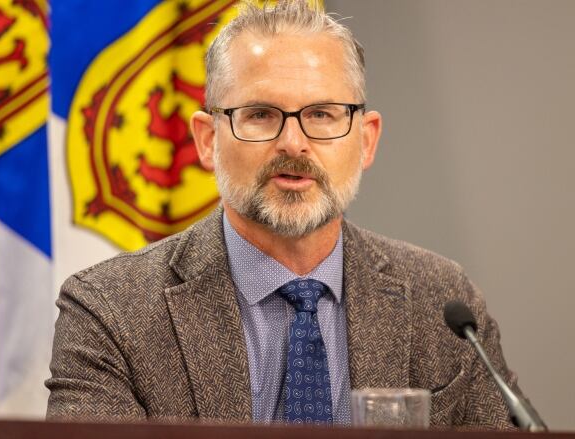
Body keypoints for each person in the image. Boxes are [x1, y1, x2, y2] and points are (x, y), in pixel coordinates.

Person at [46, 0, 527, 429]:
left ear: (366, 139)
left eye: (321, 114)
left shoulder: (442, 303)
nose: (293, 143)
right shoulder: (111, 311)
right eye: (260, 114)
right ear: (208, 140)